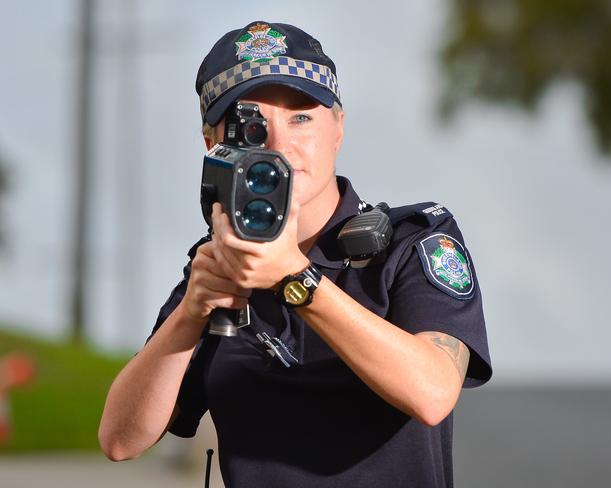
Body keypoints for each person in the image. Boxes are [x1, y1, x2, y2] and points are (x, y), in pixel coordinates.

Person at [99, 21, 492, 488]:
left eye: (301, 117)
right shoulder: (217, 267)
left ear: (338, 128)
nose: (279, 145)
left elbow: (432, 393)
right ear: (213, 144)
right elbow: (121, 441)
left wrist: (296, 279)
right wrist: (190, 313)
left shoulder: (411, 243)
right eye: (252, 126)